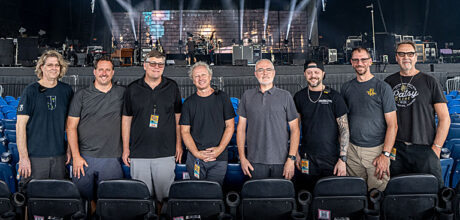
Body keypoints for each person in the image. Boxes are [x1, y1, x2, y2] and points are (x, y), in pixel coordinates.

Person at [122, 50, 182, 211]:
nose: (157, 67)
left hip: (166, 151)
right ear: (145, 65)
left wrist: (179, 145)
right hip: (139, 152)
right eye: (153, 63)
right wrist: (126, 148)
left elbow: (178, 118)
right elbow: (126, 119)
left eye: (160, 64)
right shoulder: (132, 88)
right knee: (143, 197)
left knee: (165, 198)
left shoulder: (172, 86)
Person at [385, 41, 450, 187]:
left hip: (425, 149)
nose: (406, 57)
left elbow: (445, 118)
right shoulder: (388, 82)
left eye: (410, 54)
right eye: (401, 54)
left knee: (432, 192)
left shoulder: (430, 81)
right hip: (398, 149)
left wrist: (436, 148)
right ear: (396, 57)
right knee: (399, 192)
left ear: (416, 57)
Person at [66, 57, 124, 213]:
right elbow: (71, 127)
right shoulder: (82, 95)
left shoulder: (122, 94)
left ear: (113, 72)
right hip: (84, 159)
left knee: (110, 204)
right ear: (94, 72)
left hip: (112, 158)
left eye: (107, 70)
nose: (104, 73)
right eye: (100, 69)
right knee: (83, 204)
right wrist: (76, 156)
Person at [341, 47, 398, 191]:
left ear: (370, 62)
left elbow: (393, 125)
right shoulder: (346, 88)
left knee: (376, 195)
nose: (360, 63)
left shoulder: (383, 88)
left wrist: (385, 155)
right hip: (352, 151)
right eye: (356, 60)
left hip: (376, 151)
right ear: (352, 63)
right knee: (355, 192)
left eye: (363, 59)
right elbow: (343, 122)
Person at [237, 59, 300, 179]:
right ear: (255, 74)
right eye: (260, 70)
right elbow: (240, 129)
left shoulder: (285, 96)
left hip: (281, 161)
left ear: (274, 72)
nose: (265, 73)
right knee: (257, 197)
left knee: (281, 197)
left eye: (268, 69)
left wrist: (291, 159)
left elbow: (295, 129)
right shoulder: (247, 96)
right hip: (254, 161)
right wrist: (242, 158)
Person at [16, 50, 73, 180]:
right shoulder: (30, 91)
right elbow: (20, 126)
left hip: (59, 156)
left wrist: (69, 150)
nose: (54, 68)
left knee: (57, 196)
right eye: (50, 65)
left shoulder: (67, 90)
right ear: (42, 67)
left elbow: (70, 125)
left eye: (57, 65)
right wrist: (23, 157)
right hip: (35, 156)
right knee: (35, 196)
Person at [293, 60, 349, 191]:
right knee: (308, 193)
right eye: (309, 72)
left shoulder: (335, 97)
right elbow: (294, 128)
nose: (313, 75)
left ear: (323, 74)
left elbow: (344, 129)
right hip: (307, 157)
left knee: (330, 194)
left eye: (317, 72)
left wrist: (343, 159)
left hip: (332, 158)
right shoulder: (299, 97)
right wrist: (295, 154)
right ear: (304, 74)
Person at [180, 62, 235, 185]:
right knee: (198, 193)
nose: (201, 79)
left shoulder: (222, 98)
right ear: (193, 80)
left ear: (210, 76)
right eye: (197, 76)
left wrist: (219, 150)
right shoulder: (189, 103)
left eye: (203, 75)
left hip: (218, 158)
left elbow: (230, 126)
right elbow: (185, 131)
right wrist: (196, 153)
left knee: (214, 194)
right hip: (196, 159)